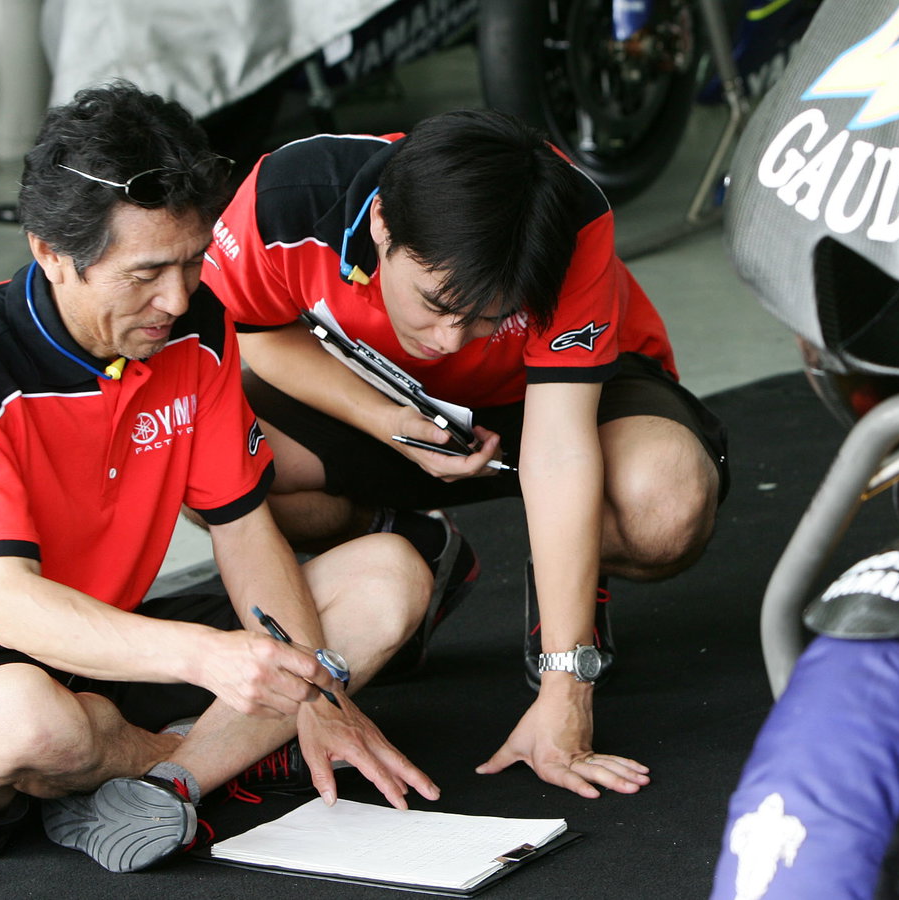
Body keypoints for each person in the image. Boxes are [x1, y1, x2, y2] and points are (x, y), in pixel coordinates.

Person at [0, 81, 439, 874]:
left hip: (109, 647)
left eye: (192, 261)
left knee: (388, 575)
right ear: (51, 251)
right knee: (31, 721)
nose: (177, 298)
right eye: (147, 272)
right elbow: (14, 611)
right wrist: (213, 662)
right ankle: (218, 753)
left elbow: (247, 534)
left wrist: (316, 695)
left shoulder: (197, 327)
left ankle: (170, 781)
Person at [201, 108, 730, 799]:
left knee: (667, 502)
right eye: (435, 302)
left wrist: (569, 685)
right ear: (382, 227)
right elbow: (255, 331)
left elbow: (561, 446)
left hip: (548, 395)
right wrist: (386, 418)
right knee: (222, 468)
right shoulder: (286, 198)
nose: (451, 339)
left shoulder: (567, 221)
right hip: (378, 392)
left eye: (486, 314)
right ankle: (415, 554)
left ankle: (570, 574)